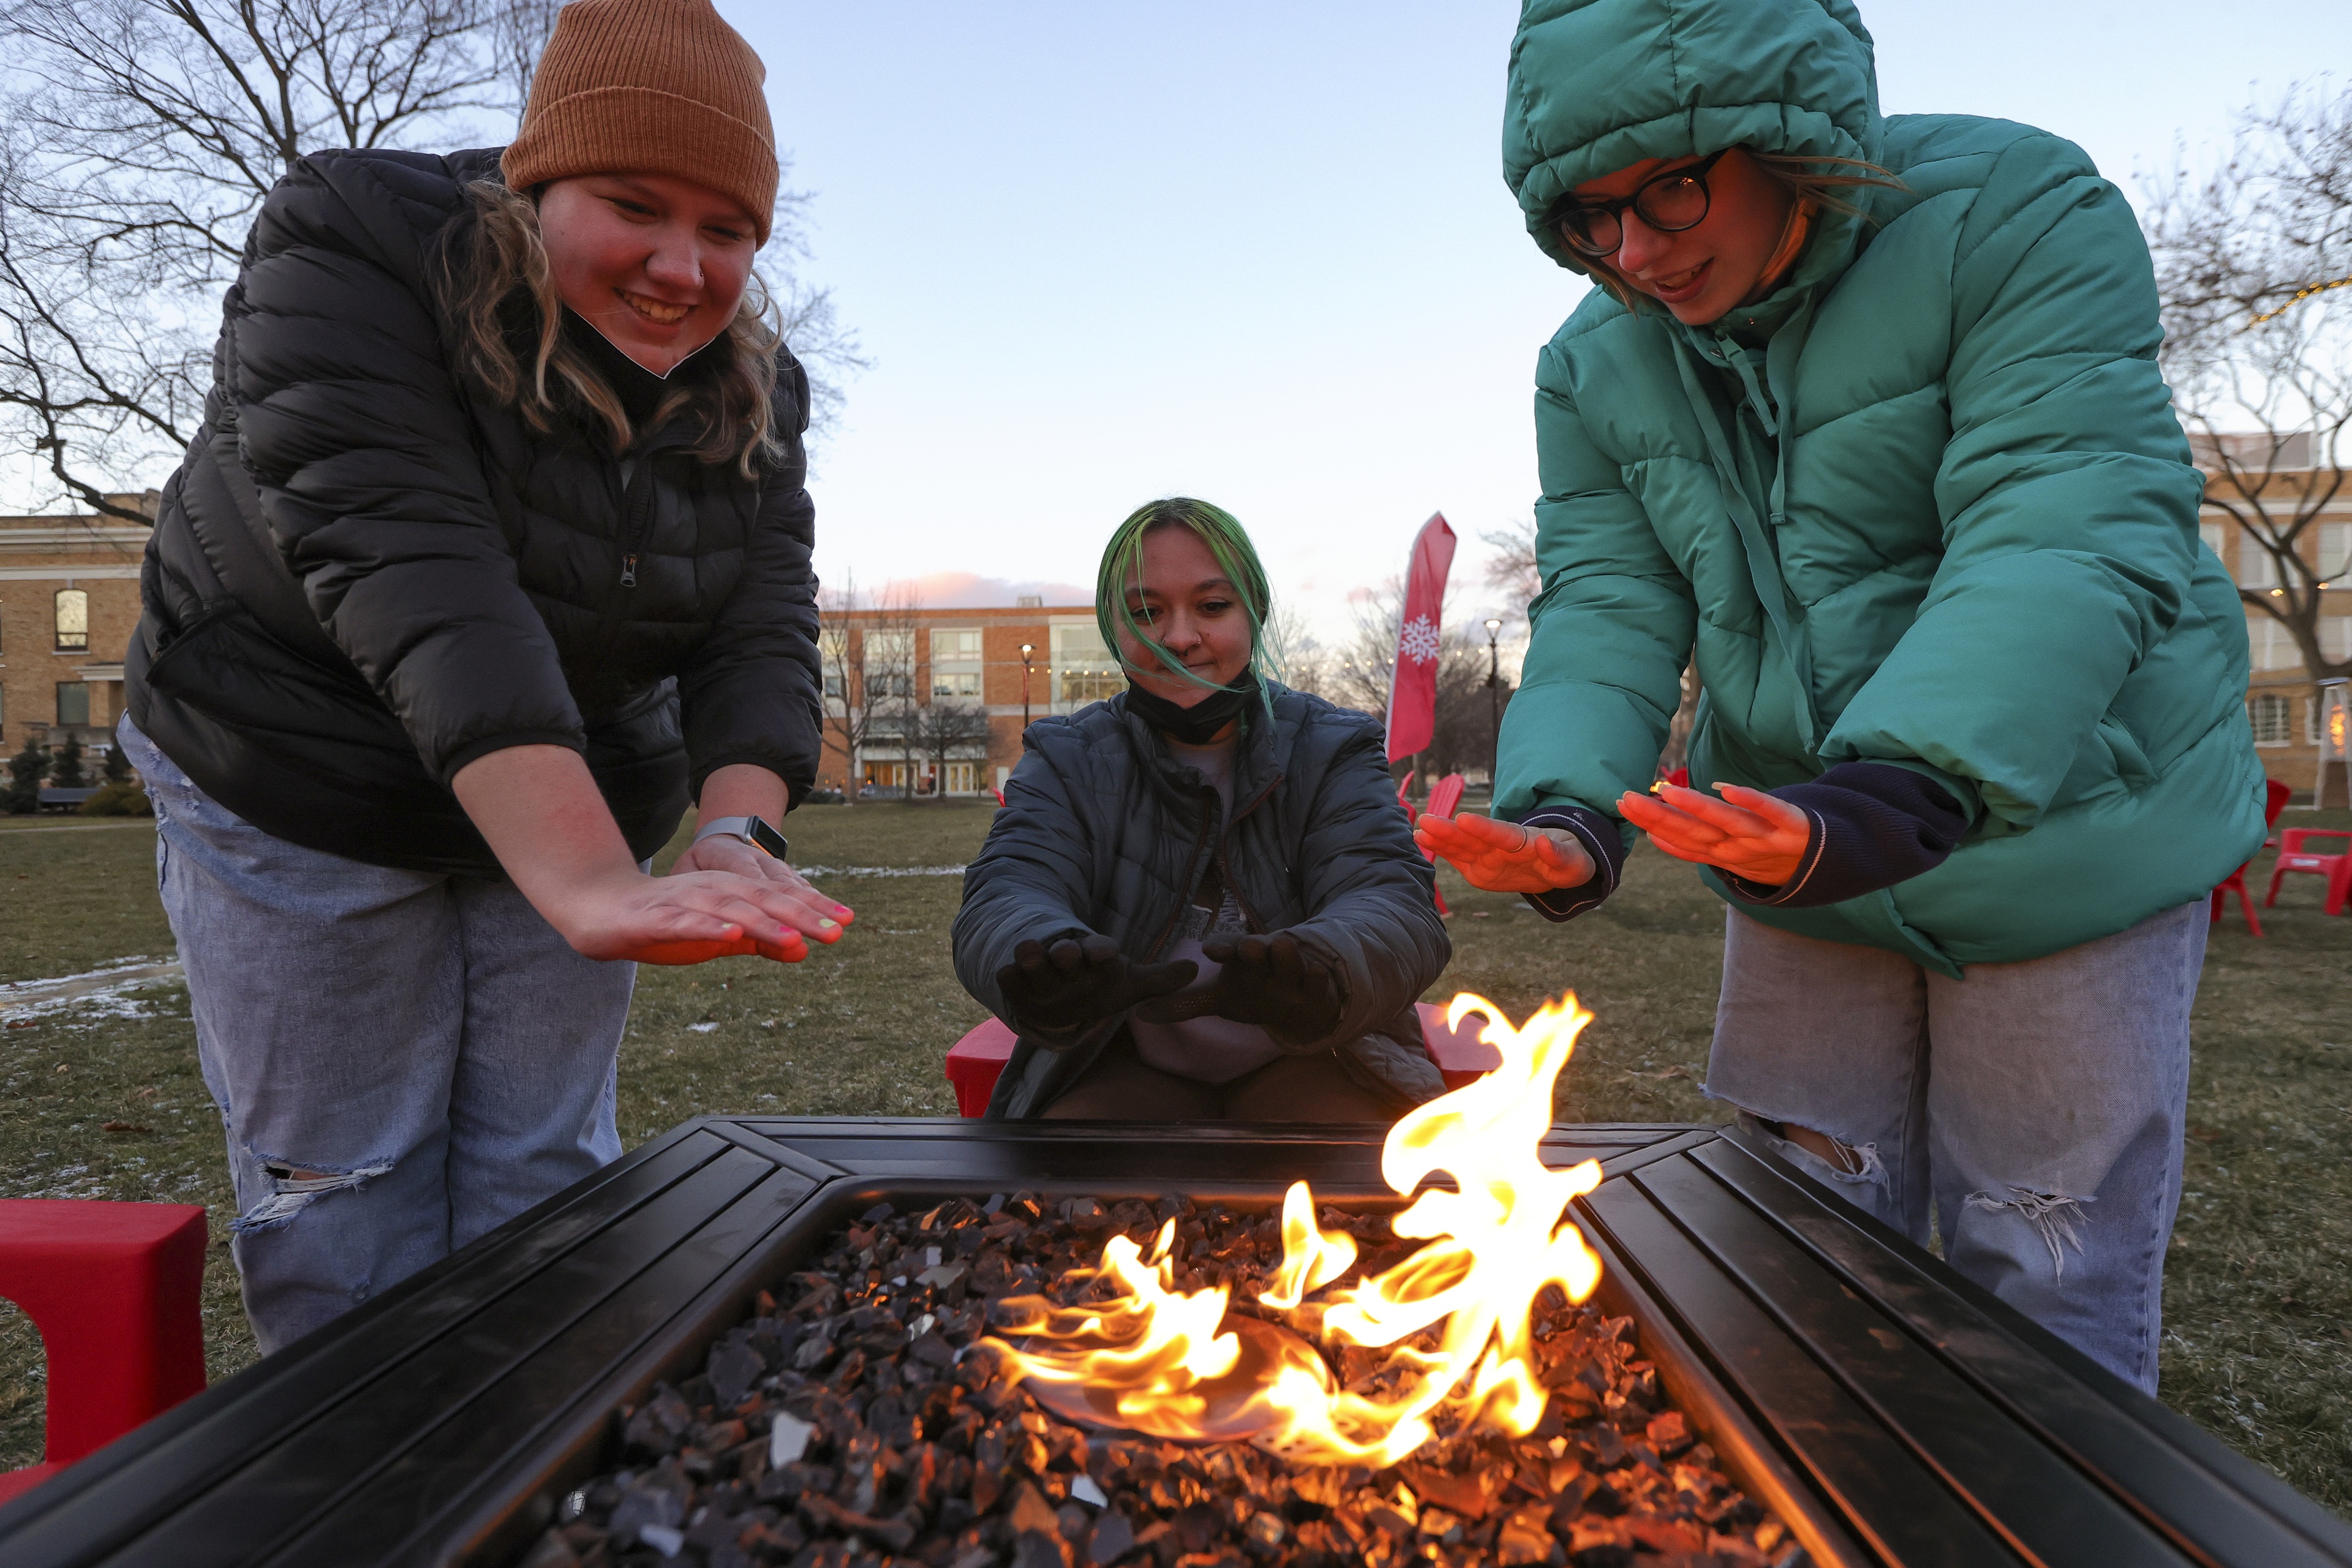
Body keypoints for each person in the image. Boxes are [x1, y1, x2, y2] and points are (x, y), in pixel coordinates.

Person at [1416, 0, 2264, 1392]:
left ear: (1785, 132)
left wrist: (1900, 780)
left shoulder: (2012, 211)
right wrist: (1568, 804)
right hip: (1793, 831)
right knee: (1790, 1240)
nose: (1631, 252)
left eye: (1667, 188)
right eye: (1584, 219)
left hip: (2069, 815)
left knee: (2039, 1260)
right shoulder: (1590, 361)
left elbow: (2057, 517)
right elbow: (1613, 598)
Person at [119, 0, 850, 1352]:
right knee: (351, 1184)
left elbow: (759, 613)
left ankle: (540, 1464)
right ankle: (379, 1479)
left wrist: (740, 825)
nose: (682, 267)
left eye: (730, 230)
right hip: (301, 757)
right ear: (538, 177)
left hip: (571, 767)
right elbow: (415, 564)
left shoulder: (756, 385)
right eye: (633, 204)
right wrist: (581, 875)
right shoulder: (351, 245)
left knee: (545, 1166)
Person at [953, 499, 1451, 1121]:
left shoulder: (1333, 747)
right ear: (1113, 627)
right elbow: (1007, 890)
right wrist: (1046, 960)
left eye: (1212, 606)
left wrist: (1323, 969)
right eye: (1146, 612)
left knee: (1343, 1181)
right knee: (1071, 1184)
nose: (1180, 637)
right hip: (1120, 1060)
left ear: (1256, 612)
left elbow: (1392, 898)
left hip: (1321, 1056)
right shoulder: (1066, 757)